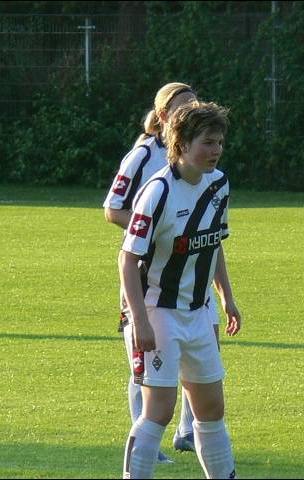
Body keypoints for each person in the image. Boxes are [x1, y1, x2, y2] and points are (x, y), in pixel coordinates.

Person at [103, 83, 228, 472]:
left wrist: (227, 297)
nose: (216, 150)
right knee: (159, 409)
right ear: (182, 143)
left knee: (212, 409)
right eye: (207, 142)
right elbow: (127, 259)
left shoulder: (219, 184)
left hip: (198, 312)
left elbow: (214, 244)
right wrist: (140, 321)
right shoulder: (156, 191)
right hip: (158, 311)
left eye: (219, 142)